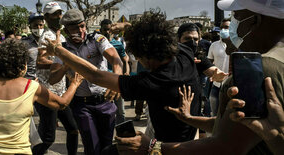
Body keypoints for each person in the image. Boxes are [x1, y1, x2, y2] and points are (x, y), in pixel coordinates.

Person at [115, 0, 284, 154]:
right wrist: (190, 119)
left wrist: (152, 147)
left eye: (237, 17)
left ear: (255, 21)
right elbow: (236, 126)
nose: (232, 25)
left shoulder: (261, 70)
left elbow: (226, 147)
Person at [43, 9, 201, 143]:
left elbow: (95, 76)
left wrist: (58, 51)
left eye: (137, 58)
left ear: (146, 58)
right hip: (184, 132)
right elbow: (154, 34)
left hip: (172, 146)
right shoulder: (184, 53)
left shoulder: (149, 83)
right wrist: (128, 26)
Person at [0, 38, 82, 154]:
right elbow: (62, 103)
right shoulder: (31, 87)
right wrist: (74, 84)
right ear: (22, 64)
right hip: (18, 151)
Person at [48, 9, 123, 155]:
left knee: (107, 145)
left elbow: (115, 59)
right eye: (75, 28)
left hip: (105, 102)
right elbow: (52, 78)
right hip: (82, 105)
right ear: (67, 30)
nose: (80, 30)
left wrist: (117, 81)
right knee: (92, 146)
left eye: (82, 26)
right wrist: (66, 65)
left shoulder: (97, 39)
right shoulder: (63, 49)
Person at [32, 2, 80, 155]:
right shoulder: (47, 35)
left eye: (59, 13)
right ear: (46, 17)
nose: (59, 16)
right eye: (54, 14)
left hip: (60, 92)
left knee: (73, 130)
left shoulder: (59, 34)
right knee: (48, 138)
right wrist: (62, 64)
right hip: (47, 92)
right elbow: (40, 61)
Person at [100, 19, 129, 124]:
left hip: (117, 81)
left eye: (109, 30)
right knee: (105, 110)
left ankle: (123, 135)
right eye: (105, 30)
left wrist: (126, 71)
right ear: (101, 29)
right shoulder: (96, 43)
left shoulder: (117, 44)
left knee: (120, 110)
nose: (107, 32)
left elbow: (125, 59)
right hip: (103, 82)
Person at [207, 18, 230, 116]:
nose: (224, 30)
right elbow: (209, 62)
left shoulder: (239, 45)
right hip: (216, 85)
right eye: (222, 27)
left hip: (231, 85)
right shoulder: (214, 45)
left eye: (227, 27)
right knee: (215, 115)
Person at [22, 13, 44, 80]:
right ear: (30, 27)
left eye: (40, 25)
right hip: (29, 80)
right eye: (35, 25)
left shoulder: (48, 41)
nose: (38, 27)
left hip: (45, 81)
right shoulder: (23, 43)